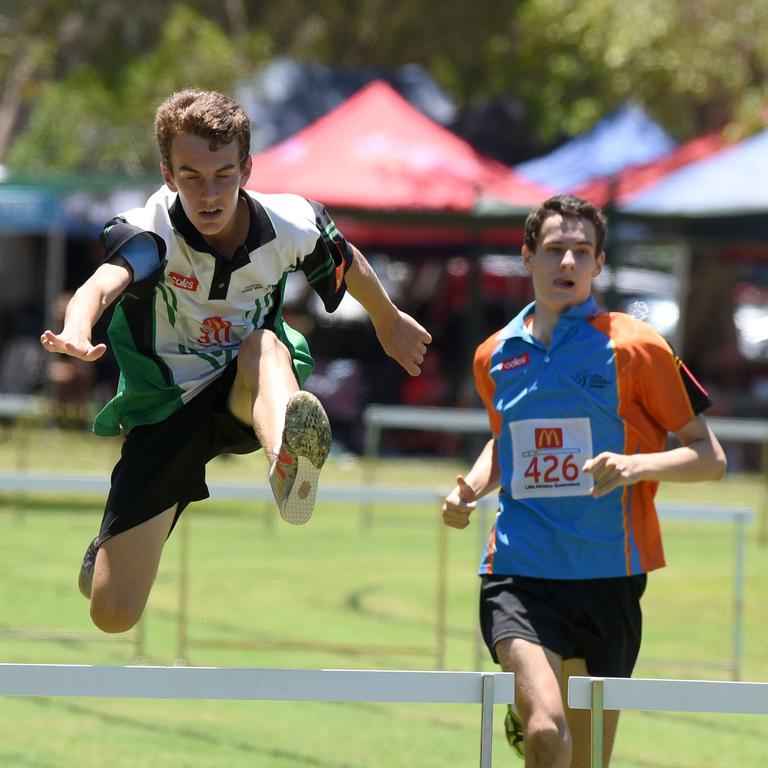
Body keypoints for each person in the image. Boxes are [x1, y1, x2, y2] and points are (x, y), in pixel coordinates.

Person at [40, 89, 431, 634]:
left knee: (266, 344)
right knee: (113, 614)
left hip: (248, 387)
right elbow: (101, 285)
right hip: (167, 407)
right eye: (192, 176)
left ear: (247, 169)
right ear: (169, 175)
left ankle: (286, 461)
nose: (209, 193)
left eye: (223, 174)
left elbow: (347, 260)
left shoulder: (288, 222)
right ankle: (102, 552)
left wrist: (387, 320)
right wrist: (77, 331)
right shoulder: (152, 230)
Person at [441, 195, 725, 768]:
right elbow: (509, 443)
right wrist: (470, 487)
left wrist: (635, 466)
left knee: (586, 760)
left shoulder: (638, 346)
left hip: (609, 576)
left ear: (598, 264)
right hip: (520, 570)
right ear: (527, 257)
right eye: (553, 250)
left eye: (580, 252)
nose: (566, 263)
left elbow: (709, 456)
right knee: (546, 731)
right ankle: (532, 714)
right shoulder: (493, 355)